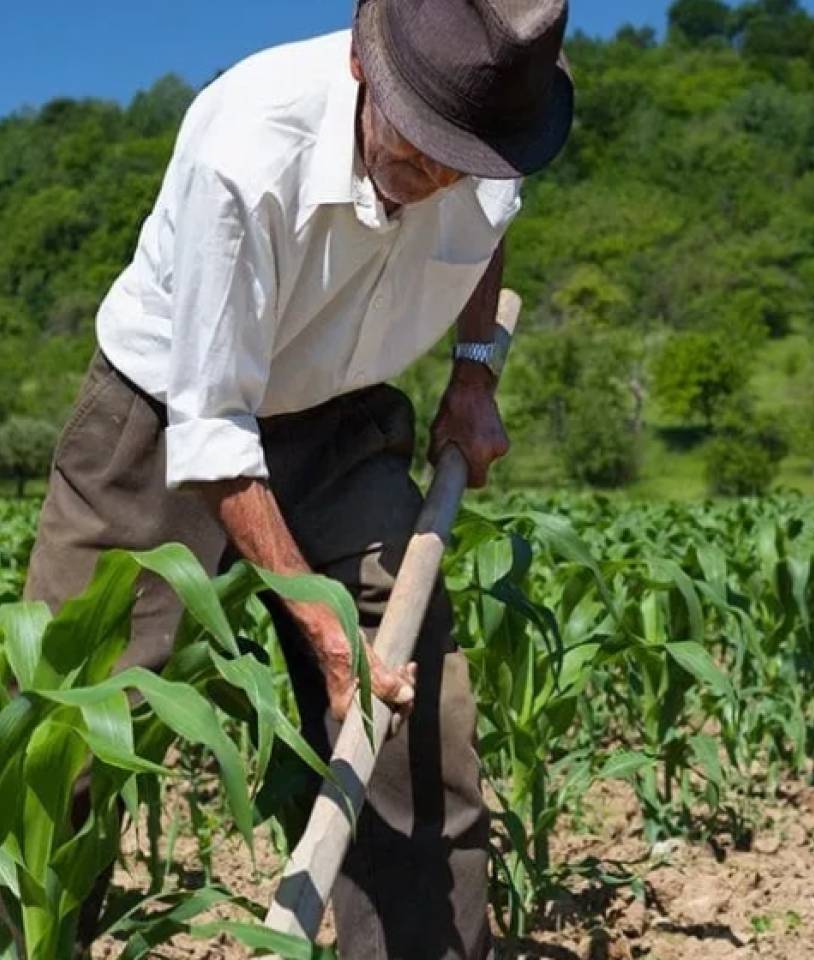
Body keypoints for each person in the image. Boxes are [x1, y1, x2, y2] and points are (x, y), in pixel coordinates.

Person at [22, 0, 573, 957]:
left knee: (413, 706)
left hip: (339, 410)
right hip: (166, 414)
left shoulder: (496, 130)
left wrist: (474, 370)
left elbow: (484, 234)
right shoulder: (247, 148)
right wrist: (323, 635)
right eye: (420, 150)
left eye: (464, 159)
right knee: (70, 727)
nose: (440, 176)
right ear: (366, 65)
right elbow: (214, 434)